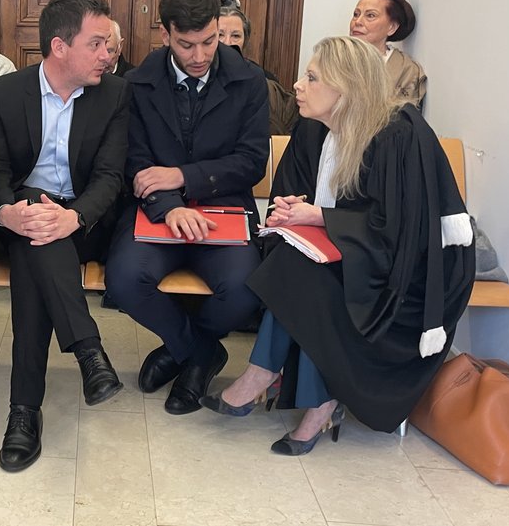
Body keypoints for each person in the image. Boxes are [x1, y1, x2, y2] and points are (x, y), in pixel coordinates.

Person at [203, 36, 474, 455]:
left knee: (309, 280)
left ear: (346, 88)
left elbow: (398, 228)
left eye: (312, 78)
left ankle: (276, 380)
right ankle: (301, 393)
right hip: (344, 253)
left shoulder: (398, 134)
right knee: (298, 265)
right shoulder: (313, 128)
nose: (297, 85)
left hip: (406, 271)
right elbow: (293, 189)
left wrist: (319, 217)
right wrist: (291, 209)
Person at [0, 0, 129, 472]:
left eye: (108, 45)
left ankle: (23, 412)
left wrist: (74, 217)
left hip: (86, 220)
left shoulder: (115, 94)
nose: (108, 55)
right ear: (60, 47)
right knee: (35, 236)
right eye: (98, 44)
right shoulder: (6, 93)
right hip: (22, 212)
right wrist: (5, 214)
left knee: (41, 246)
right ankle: (87, 352)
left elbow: (110, 177)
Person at [104, 0, 268, 415]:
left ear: (218, 28)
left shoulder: (250, 80)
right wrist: (170, 205)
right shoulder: (137, 83)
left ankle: (181, 350)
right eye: (186, 44)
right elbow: (134, 163)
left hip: (224, 211)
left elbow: (253, 163)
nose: (199, 56)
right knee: (122, 281)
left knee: (244, 290)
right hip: (157, 212)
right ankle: (199, 353)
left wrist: (181, 177)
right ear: (165, 35)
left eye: (209, 41)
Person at [218, 0, 298, 135]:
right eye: (220, 35)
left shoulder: (263, 81)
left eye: (236, 36)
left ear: (245, 41)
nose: (227, 42)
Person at [350, 0, 426, 108]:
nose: (358, 22)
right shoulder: (335, 58)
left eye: (370, 15)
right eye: (356, 14)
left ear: (392, 27)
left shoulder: (407, 71)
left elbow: (400, 123)